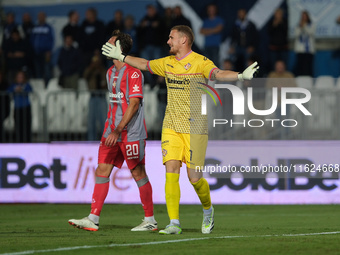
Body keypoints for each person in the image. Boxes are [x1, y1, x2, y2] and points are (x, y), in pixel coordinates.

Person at [102, 25, 259, 234]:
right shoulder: (167, 63)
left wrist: (240, 76)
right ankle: (174, 223)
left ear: (183, 40)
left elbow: (219, 74)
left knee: (194, 178)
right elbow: (143, 64)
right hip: (171, 126)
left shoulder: (200, 62)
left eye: (171, 37)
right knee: (171, 171)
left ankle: (208, 210)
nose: (168, 41)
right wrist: (121, 56)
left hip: (196, 128)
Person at [69, 30, 157, 232]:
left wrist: (118, 130)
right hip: (111, 132)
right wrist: (111, 129)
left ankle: (150, 220)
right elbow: (116, 103)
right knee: (102, 170)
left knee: (138, 173)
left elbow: (134, 104)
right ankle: (93, 218)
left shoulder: (134, 72)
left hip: (130, 133)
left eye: (110, 43)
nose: (105, 46)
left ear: (120, 49)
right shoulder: (110, 72)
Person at [83, 50, 107, 141]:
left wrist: (100, 69)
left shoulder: (103, 70)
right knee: (91, 122)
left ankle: (104, 142)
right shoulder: (90, 69)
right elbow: (85, 76)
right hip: (93, 97)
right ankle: (91, 141)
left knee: (103, 122)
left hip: (101, 97)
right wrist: (92, 67)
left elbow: (107, 82)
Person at [7, 70, 32, 143]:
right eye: (18, 77)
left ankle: (27, 141)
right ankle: (19, 141)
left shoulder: (26, 85)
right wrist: (15, 90)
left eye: (21, 77)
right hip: (17, 108)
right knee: (18, 126)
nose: (20, 78)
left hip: (26, 107)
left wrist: (22, 90)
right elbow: (8, 91)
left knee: (26, 126)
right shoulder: (13, 85)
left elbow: (30, 90)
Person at [30, 12, 54, 86]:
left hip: (45, 53)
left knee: (47, 71)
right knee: (38, 71)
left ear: (45, 17)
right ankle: (40, 87)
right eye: (39, 16)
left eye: (42, 16)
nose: (40, 18)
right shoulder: (35, 28)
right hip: (36, 53)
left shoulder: (48, 28)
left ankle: (48, 87)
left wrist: (49, 50)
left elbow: (51, 40)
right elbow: (32, 39)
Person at [294, 10, 315, 77]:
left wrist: (304, 26)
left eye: (305, 16)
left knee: (308, 68)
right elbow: (296, 34)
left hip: (309, 50)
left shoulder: (311, 25)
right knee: (300, 67)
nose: (304, 18)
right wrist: (300, 27)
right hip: (300, 50)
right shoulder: (298, 26)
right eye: (302, 17)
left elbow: (310, 32)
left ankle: (308, 82)